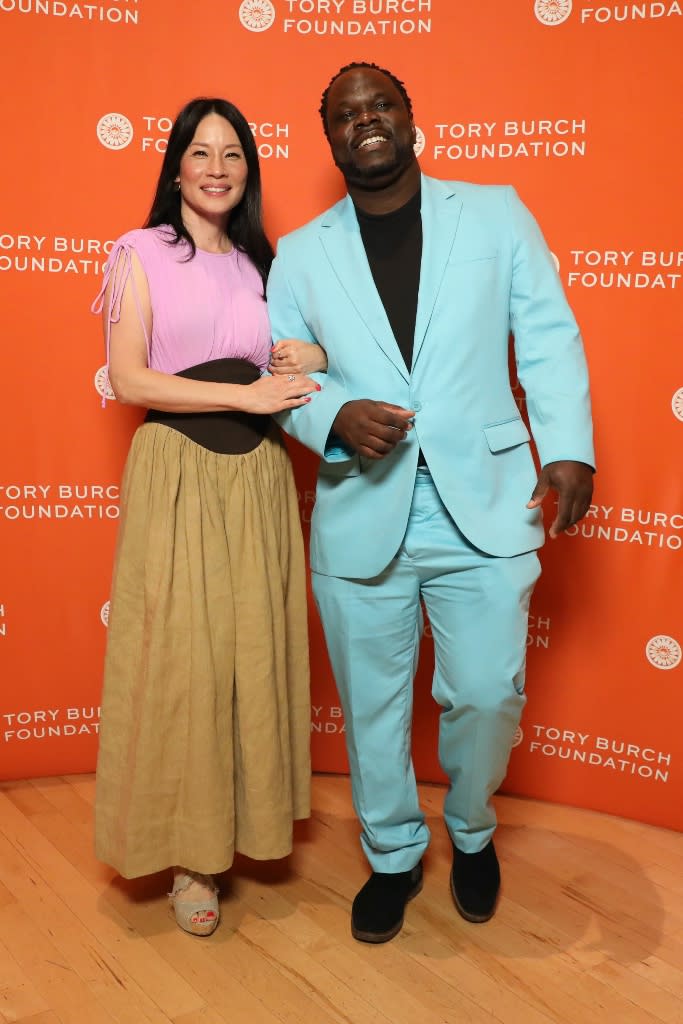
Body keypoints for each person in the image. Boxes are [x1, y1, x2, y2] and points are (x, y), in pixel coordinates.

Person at [266, 62, 595, 943]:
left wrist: (566, 448)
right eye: (344, 114)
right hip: (360, 506)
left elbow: (551, 337)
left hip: (485, 504)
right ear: (328, 135)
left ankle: (473, 831)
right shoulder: (298, 253)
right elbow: (284, 373)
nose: (363, 122)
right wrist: (335, 412)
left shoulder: (495, 212)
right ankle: (393, 855)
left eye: (379, 106)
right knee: (372, 706)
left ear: (410, 118)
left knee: (485, 691)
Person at [91, 97, 326, 937]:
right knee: (186, 662)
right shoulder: (142, 252)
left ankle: (244, 831)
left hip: (258, 476)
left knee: (248, 657)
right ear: (176, 167)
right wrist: (246, 392)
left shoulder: (270, 263)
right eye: (201, 152)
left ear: (246, 171)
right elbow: (130, 380)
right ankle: (191, 860)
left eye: (232, 154)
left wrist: (311, 356)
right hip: (180, 472)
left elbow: (302, 356)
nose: (218, 167)